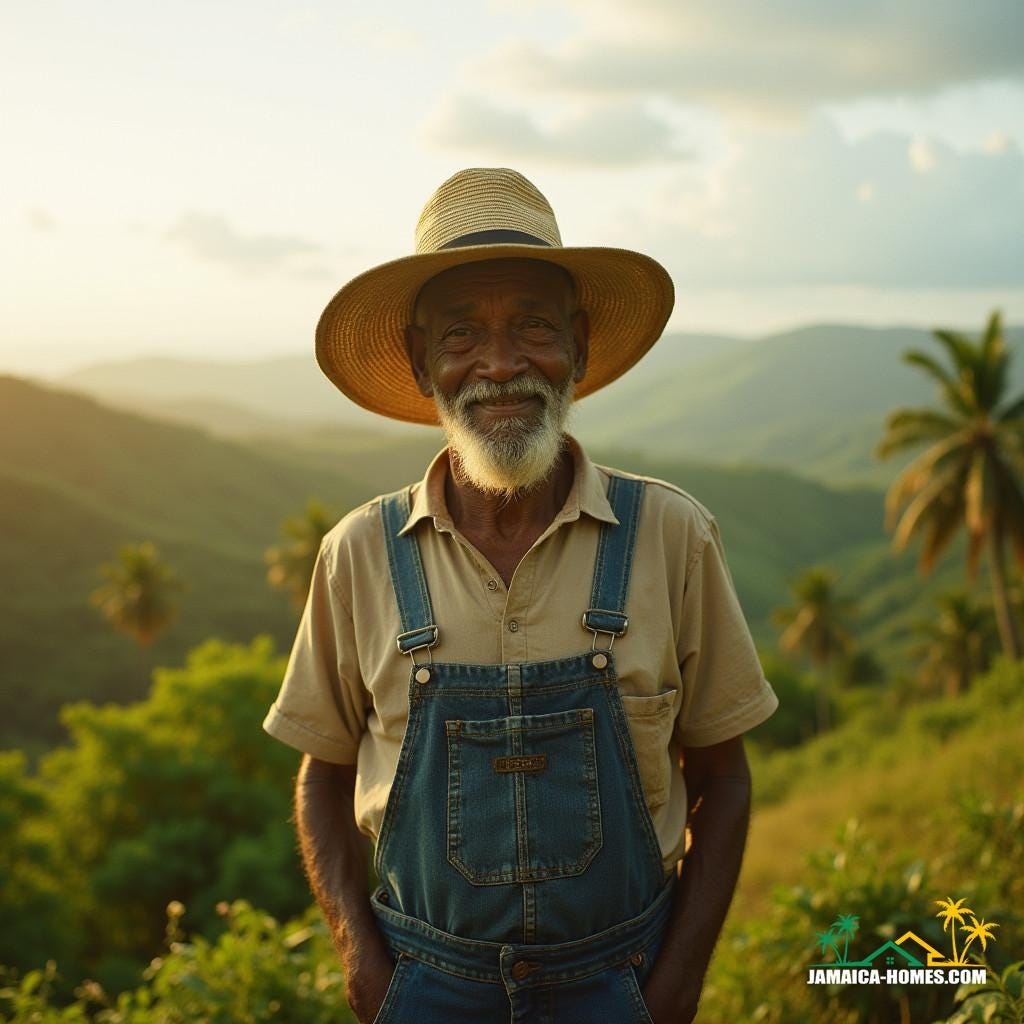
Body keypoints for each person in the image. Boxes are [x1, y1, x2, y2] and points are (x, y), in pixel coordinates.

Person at [262, 167, 779, 1024]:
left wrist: (676, 987)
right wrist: (362, 963)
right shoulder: (357, 553)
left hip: (626, 983)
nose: (500, 365)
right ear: (421, 361)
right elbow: (324, 773)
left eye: (532, 326)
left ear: (576, 343)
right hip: (422, 989)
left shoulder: (673, 536)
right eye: (461, 334)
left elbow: (723, 779)